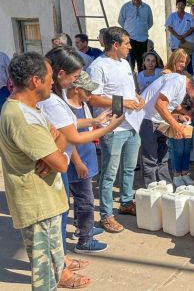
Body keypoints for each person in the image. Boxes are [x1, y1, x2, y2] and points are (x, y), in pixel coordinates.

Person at [0, 52, 91, 289]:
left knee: (53, 267)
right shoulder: (21, 117)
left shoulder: (33, 109)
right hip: (37, 206)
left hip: (47, 202)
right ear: (35, 81)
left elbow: (60, 136)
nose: (53, 81)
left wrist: (53, 151)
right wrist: (56, 155)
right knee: (45, 278)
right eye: (49, 76)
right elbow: (62, 164)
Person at [38, 48, 124, 259]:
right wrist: (108, 128)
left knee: (67, 208)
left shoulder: (58, 100)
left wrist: (95, 121)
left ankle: (63, 259)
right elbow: (72, 136)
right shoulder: (51, 100)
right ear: (61, 74)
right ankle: (75, 248)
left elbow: (69, 125)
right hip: (62, 164)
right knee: (67, 210)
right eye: (75, 77)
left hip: (63, 162)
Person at [88, 26, 145, 233]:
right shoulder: (98, 67)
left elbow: (127, 89)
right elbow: (93, 97)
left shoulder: (124, 63)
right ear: (115, 45)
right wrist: (124, 104)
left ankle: (126, 202)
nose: (130, 47)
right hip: (112, 127)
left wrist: (137, 97)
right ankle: (105, 215)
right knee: (109, 174)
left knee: (129, 169)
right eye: (127, 43)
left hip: (132, 124)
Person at [140, 71, 191, 186]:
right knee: (150, 159)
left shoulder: (181, 85)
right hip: (147, 118)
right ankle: (151, 191)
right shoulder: (177, 81)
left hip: (159, 120)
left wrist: (180, 115)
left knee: (163, 157)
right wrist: (176, 126)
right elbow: (160, 104)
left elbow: (171, 105)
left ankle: (166, 187)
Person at [163, 49, 194, 186]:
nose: (183, 64)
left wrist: (191, 112)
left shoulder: (186, 75)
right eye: (181, 61)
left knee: (186, 147)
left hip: (188, 114)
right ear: (174, 59)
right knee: (177, 147)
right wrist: (178, 115)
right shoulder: (166, 74)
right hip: (173, 115)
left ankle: (185, 172)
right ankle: (176, 174)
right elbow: (165, 102)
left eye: (185, 62)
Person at [118, 0, 153, 72]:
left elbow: (150, 23)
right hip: (129, 41)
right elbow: (121, 21)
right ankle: (130, 83)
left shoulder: (147, 8)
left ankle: (141, 84)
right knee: (130, 64)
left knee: (142, 64)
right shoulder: (125, 7)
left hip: (143, 40)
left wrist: (141, 30)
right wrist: (129, 31)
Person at [166, 0, 194, 75]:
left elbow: (193, 28)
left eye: (182, 4)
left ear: (185, 6)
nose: (180, 6)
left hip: (187, 42)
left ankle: (189, 79)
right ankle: (176, 78)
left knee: (187, 62)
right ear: (176, 5)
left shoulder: (190, 16)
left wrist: (183, 36)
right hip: (175, 43)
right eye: (179, 4)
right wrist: (178, 36)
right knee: (176, 62)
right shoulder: (172, 16)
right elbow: (169, 27)